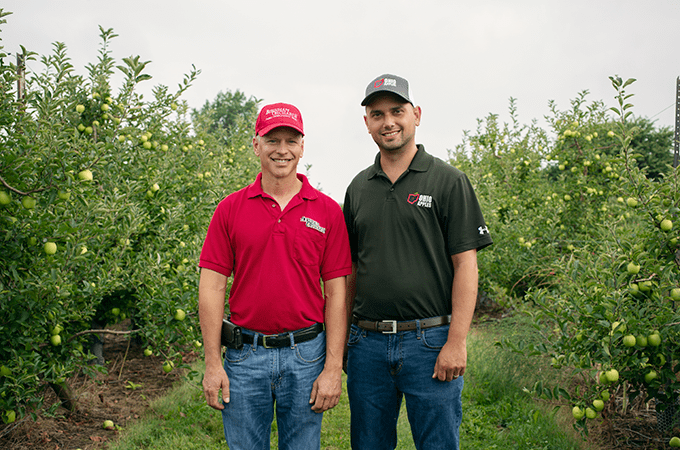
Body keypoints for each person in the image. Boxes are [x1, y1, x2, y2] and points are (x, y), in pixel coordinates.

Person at [343, 74, 493, 450]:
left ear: (417, 115)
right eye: (377, 114)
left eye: (397, 111)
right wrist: (344, 339)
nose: (388, 122)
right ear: (367, 124)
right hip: (367, 344)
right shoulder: (358, 188)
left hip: (429, 341)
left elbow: (466, 265)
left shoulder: (448, 181)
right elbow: (349, 273)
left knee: (437, 444)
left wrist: (456, 342)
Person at [198, 102, 351, 450]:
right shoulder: (230, 209)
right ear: (256, 145)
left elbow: (337, 294)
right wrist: (212, 363)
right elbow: (211, 287)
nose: (282, 150)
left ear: (302, 146)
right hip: (244, 356)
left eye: (291, 140)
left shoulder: (327, 211)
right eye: (272, 140)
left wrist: (332, 367)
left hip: (307, 355)